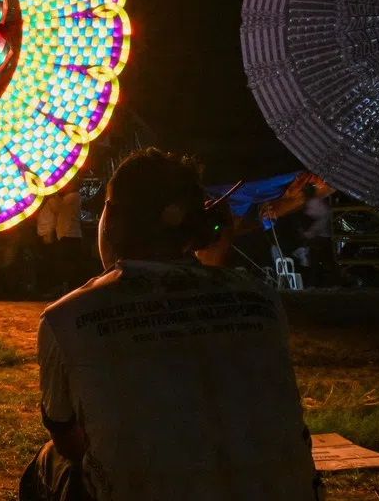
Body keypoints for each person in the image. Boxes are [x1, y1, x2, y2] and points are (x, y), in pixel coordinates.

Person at [20, 148, 322, 501]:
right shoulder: (262, 301)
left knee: (50, 462)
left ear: (111, 219)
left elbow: (70, 442)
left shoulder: (67, 318)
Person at [54, 181, 84, 289]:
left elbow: (57, 208)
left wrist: (55, 193)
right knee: (71, 265)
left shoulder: (72, 197)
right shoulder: (74, 197)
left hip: (69, 235)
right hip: (71, 235)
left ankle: (70, 288)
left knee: (68, 265)